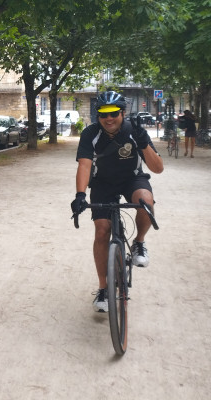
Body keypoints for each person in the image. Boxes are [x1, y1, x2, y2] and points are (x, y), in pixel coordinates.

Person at [71, 91, 164, 313]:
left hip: (132, 179)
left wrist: (144, 142)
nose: (108, 118)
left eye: (113, 113)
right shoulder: (91, 134)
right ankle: (103, 288)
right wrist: (80, 195)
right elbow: (84, 165)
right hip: (103, 182)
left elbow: (158, 168)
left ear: (122, 113)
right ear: (98, 115)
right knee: (102, 231)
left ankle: (139, 241)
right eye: (103, 114)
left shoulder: (134, 131)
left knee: (145, 201)